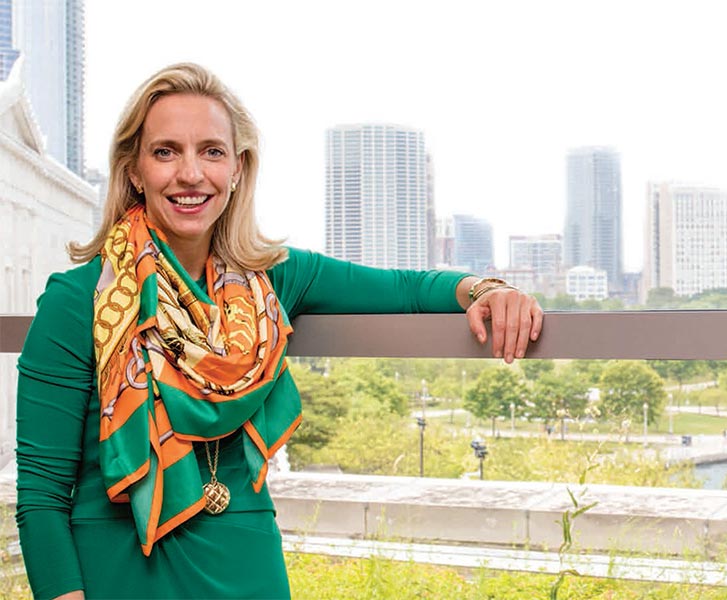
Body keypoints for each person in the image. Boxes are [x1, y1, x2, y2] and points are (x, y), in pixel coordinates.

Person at [15, 63, 543, 600]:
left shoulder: (274, 280)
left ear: (239, 168)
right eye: (166, 151)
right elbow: (39, 499)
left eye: (212, 152)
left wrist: (485, 290)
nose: (191, 174)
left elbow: (406, 288)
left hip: (247, 564)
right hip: (118, 569)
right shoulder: (80, 300)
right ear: (134, 170)